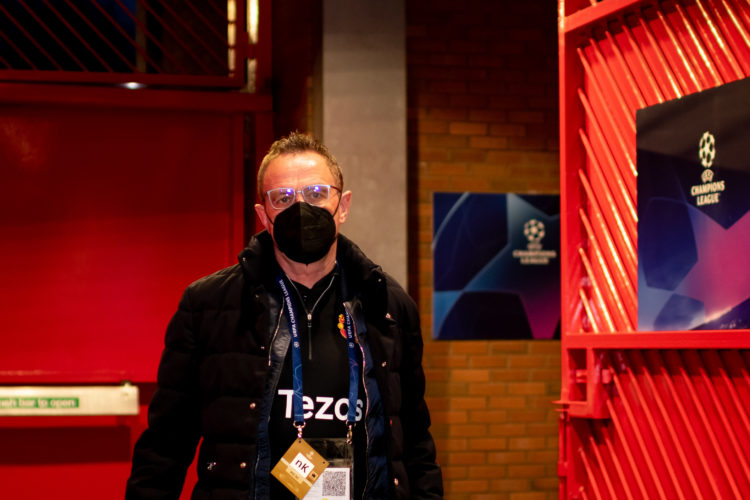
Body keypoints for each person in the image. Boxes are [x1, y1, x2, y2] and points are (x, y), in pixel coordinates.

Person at [126, 132, 443, 499]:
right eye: (284, 198)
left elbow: (415, 441)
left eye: (316, 194)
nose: (302, 209)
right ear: (264, 215)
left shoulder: (388, 305)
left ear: (343, 205)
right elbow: (166, 444)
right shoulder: (209, 305)